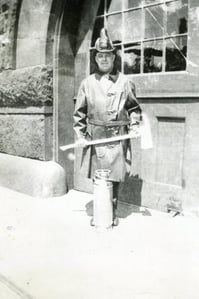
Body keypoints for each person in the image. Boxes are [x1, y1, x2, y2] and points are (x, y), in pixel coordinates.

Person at [73, 28, 142, 226]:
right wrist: (80, 135)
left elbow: (134, 108)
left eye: (108, 55)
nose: (104, 59)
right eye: (100, 56)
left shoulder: (125, 82)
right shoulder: (87, 84)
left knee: (116, 176)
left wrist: (135, 125)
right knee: (100, 176)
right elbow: (79, 114)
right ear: (95, 59)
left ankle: (111, 211)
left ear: (113, 57)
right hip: (97, 136)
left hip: (118, 136)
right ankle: (101, 211)